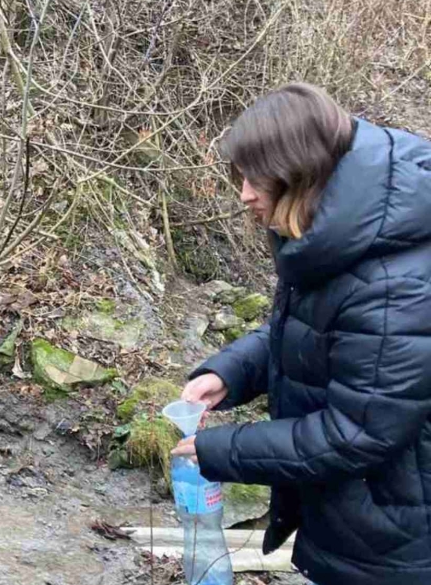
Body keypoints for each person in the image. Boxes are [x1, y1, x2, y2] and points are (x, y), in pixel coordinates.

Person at [170, 82, 431, 585]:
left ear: (301, 172)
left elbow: (357, 431)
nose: (244, 194)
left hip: (400, 542)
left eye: (256, 179)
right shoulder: (339, 235)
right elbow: (315, 331)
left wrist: (224, 451)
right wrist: (232, 371)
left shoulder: (398, 280)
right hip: (357, 519)